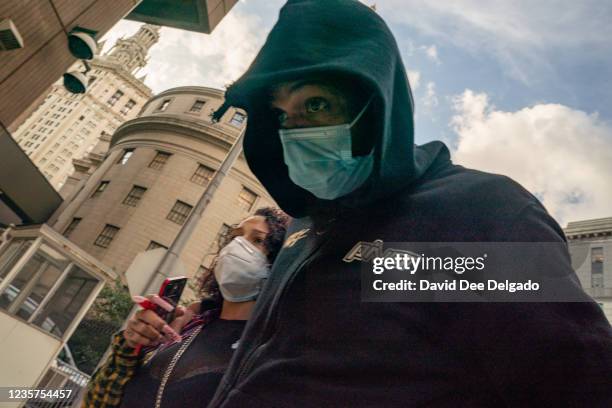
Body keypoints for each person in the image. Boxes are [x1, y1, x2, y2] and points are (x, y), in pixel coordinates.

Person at [207, 1, 612, 407]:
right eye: (280, 115)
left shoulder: (477, 215)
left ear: (376, 103)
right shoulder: (302, 230)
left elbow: (578, 382)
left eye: (315, 105)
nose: (293, 131)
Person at [82, 207, 289, 408]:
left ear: (279, 262)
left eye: (258, 240)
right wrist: (132, 344)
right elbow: (98, 401)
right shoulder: (184, 326)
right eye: (235, 235)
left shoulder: (268, 351)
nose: (236, 245)